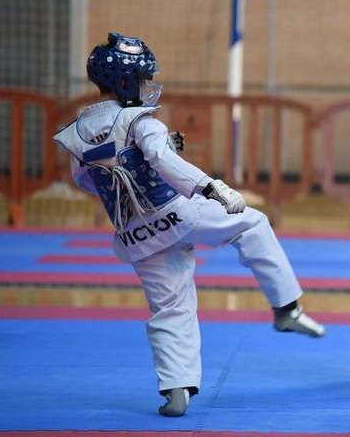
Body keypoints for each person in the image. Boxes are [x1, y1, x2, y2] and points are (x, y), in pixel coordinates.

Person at [52, 33, 325, 418]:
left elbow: (83, 180)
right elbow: (165, 163)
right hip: (177, 211)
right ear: (128, 81)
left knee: (169, 306)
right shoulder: (141, 121)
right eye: (144, 79)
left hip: (135, 233)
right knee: (253, 224)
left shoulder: (78, 131)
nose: (148, 87)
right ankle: (285, 307)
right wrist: (214, 188)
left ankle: (175, 388)